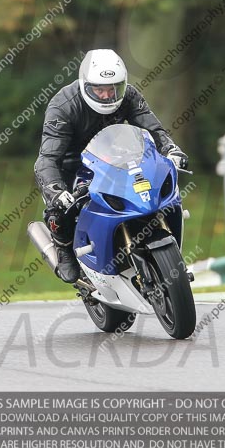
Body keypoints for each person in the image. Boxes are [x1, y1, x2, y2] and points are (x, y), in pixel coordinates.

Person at [34, 48, 188, 283]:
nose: (107, 95)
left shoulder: (130, 95)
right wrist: (55, 189)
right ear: (85, 85)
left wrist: (171, 149)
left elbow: (153, 129)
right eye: (99, 89)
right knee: (60, 211)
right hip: (72, 165)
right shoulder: (62, 106)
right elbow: (47, 159)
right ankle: (64, 248)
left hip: (113, 157)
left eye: (113, 88)